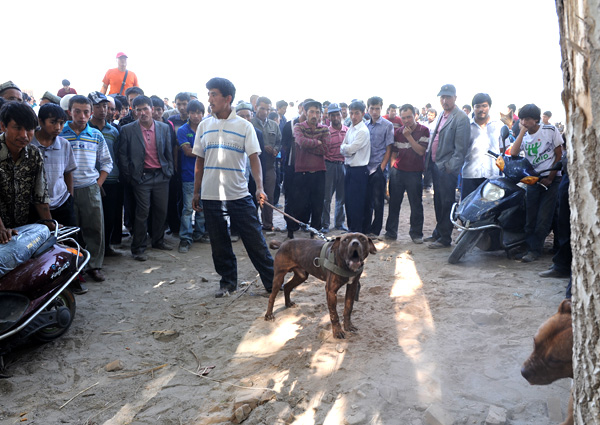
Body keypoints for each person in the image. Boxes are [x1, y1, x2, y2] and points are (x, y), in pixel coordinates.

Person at [192, 78, 273, 298]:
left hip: (238, 193)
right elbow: (199, 160)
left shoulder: (245, 126)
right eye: (208, 94)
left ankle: (272, 282)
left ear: (228, 98)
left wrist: (259, 188)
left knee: (255, 239)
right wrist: (197, 191)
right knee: (219, 242)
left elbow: (254, 159)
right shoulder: (204, 125)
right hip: (210, 194)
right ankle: (228, 283)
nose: (210, 99)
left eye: (214, 94)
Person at [60, 95, 113, 282]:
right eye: (77, 111)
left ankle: (95, 266)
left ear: (90, 113)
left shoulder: (96, 135)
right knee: (71, 231)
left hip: (90, 188)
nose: (82, 116)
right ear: (69, 112)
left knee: (95, 229)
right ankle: (74, 268)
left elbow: (107, 162)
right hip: (65, 191)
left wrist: (98, 184)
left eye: (85, 112)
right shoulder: (61, 134)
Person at [118, 96, 174, 261]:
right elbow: (123, 155)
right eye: (138, 110)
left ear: (152, 109)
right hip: (141, 178)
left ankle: (158, 240)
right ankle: (138, 248)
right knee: (142, 213)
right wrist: (130, 175)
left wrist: (169, 170)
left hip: (161, 176)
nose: (142, 113)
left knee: (161, 211)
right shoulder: (128, 129)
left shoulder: (163, 128)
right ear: (134, 111)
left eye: (145, 109)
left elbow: (169, 151)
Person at [510, 104, 562, 262]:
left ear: (536, 119)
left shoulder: (550, 130)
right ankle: (529, 247)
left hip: (552, 180)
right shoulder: (524, 135)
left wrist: (551, 177)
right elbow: (513, 153)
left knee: (543, 218)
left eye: (528, 119)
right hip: (534, 180)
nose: (524, 122)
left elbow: (559, 155)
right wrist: (521, 132)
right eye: (522, 118)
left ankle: (535, 250)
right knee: (530, 216)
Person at [424, 84, 470, 248]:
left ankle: (445, 238)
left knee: (446, 202)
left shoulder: (461, 118)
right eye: (442, 97)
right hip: (436, 165)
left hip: (446, 168)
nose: (444, 100)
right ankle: (438, 232)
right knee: (438, 201)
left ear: (455, 98)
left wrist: (451, 167)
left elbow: (461, 148)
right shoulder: (442, 115)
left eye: (448, 97)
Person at [0, 102, 53, 242]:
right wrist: (1, 229)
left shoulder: (35, 154)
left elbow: (40, 196)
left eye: (29, 129)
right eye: (17, 128)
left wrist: (50, 224)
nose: (24, 135)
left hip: (21, 231)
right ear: (2, 126)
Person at [385, 104, 430, 243]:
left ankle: (416, 234)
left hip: (414, 173)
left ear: (415, 115)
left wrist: (409, 137)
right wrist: (392, 170)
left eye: (409, 117)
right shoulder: (397, 132)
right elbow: (394, 152)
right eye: (403, 118)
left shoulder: (424, 130)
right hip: (398, 172)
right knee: (394, 204)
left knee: (416, 204)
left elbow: (421, 151)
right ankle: (391, 233)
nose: (406, 120)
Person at [87, 92, 123, 257]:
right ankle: (91, 251)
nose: (102, 110)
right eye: (98, 106)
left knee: (109, 217)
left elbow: (117, 155)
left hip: (111, 179)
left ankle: (106, 247)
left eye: (105, 106)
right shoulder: (86, 128)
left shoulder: (113, 130)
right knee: (92, 219)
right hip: (90, 180)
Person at [31, 104, 77, 228]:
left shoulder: (64, 144)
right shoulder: (29, 144)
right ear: (40, 121)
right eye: (53, 122)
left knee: (69, 241)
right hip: (35, 206)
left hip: (62, 202)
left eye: (61, 123)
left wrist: (70, 196)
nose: (58, 127)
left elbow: (68, 173)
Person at [292, 99, 330, 233]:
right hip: (302, 171)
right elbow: (300, 141)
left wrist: (309, 145)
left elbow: (325, 149)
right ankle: (300, 229)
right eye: (312, 112)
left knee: (318, 204)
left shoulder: (324, 128)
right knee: (301, 204)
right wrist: (317, 142)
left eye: (317, 112)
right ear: (305, 112)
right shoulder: (298, 126)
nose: (314, 115)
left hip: (319, 171)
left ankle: (315, 232)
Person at [178, 100, 208, 253]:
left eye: (199, 113)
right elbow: (187, 151)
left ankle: (200, 233)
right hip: (189, 175)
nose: (196, 116)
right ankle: (185, 238)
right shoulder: (183, 130)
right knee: (188, 208)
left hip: (207, 175)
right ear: (188, 114)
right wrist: (206, 152)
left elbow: (194, 151)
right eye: (193, 112)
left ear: (203, 114)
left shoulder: (207, 128)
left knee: (202, 207)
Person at [461, 93, 502, 199]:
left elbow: (503, 149)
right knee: (467, 209)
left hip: (492, 176)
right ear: (473, 108)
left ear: (489, 107)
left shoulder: (498, 126)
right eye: (477, 106)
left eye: (484, 106)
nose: (481, 109)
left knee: (490, 210)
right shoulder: (466, 127)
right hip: (470, 175)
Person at [363, 96, 394, 237]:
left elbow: (389, 148)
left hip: (378, 169)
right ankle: (366, 228)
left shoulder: (388, 125)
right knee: (367, 201)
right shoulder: (365, 125)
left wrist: (381, 167)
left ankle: (375, 231)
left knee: (378, 202)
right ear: (367, 109)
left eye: (377, 108)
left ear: (381, 108)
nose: (374, 111)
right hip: (365, 168)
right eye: (372, 108)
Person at [251, 96, 282, 232]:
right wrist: (264, 147)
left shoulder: (274, 125)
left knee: (268, 196)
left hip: (269, 166)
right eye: (262, 108)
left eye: (268, 109)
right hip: (252, 166)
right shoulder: (249, 124)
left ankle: (267, 225)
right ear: (256, 107)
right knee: (252, 196)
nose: (265, 112)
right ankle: (252, 225)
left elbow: (279, 142)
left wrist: (275, 149)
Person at [340, 100, 371, 233]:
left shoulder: (363, 131)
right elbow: (342, 147)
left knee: (357, 203)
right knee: (349, 202)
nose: (353, 116)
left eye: (357, 113)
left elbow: (349, 149)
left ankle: (357, 232)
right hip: (349, 169)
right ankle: (352, 229)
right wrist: (346, 148)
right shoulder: (351, 129)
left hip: (359, 170)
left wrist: (346, 148)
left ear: (363, 114)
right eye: (351, 113)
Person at [321, 103, 347, 233]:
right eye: (333, 115)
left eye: (337, 114)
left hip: (343, 166)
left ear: (341, 115)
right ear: (329, 117)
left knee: (341, 197)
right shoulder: (325, 131)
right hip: (329, 166)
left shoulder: (347, 130)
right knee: (326, 197)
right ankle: (325, 224)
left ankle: (339, 223)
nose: (336, 117)